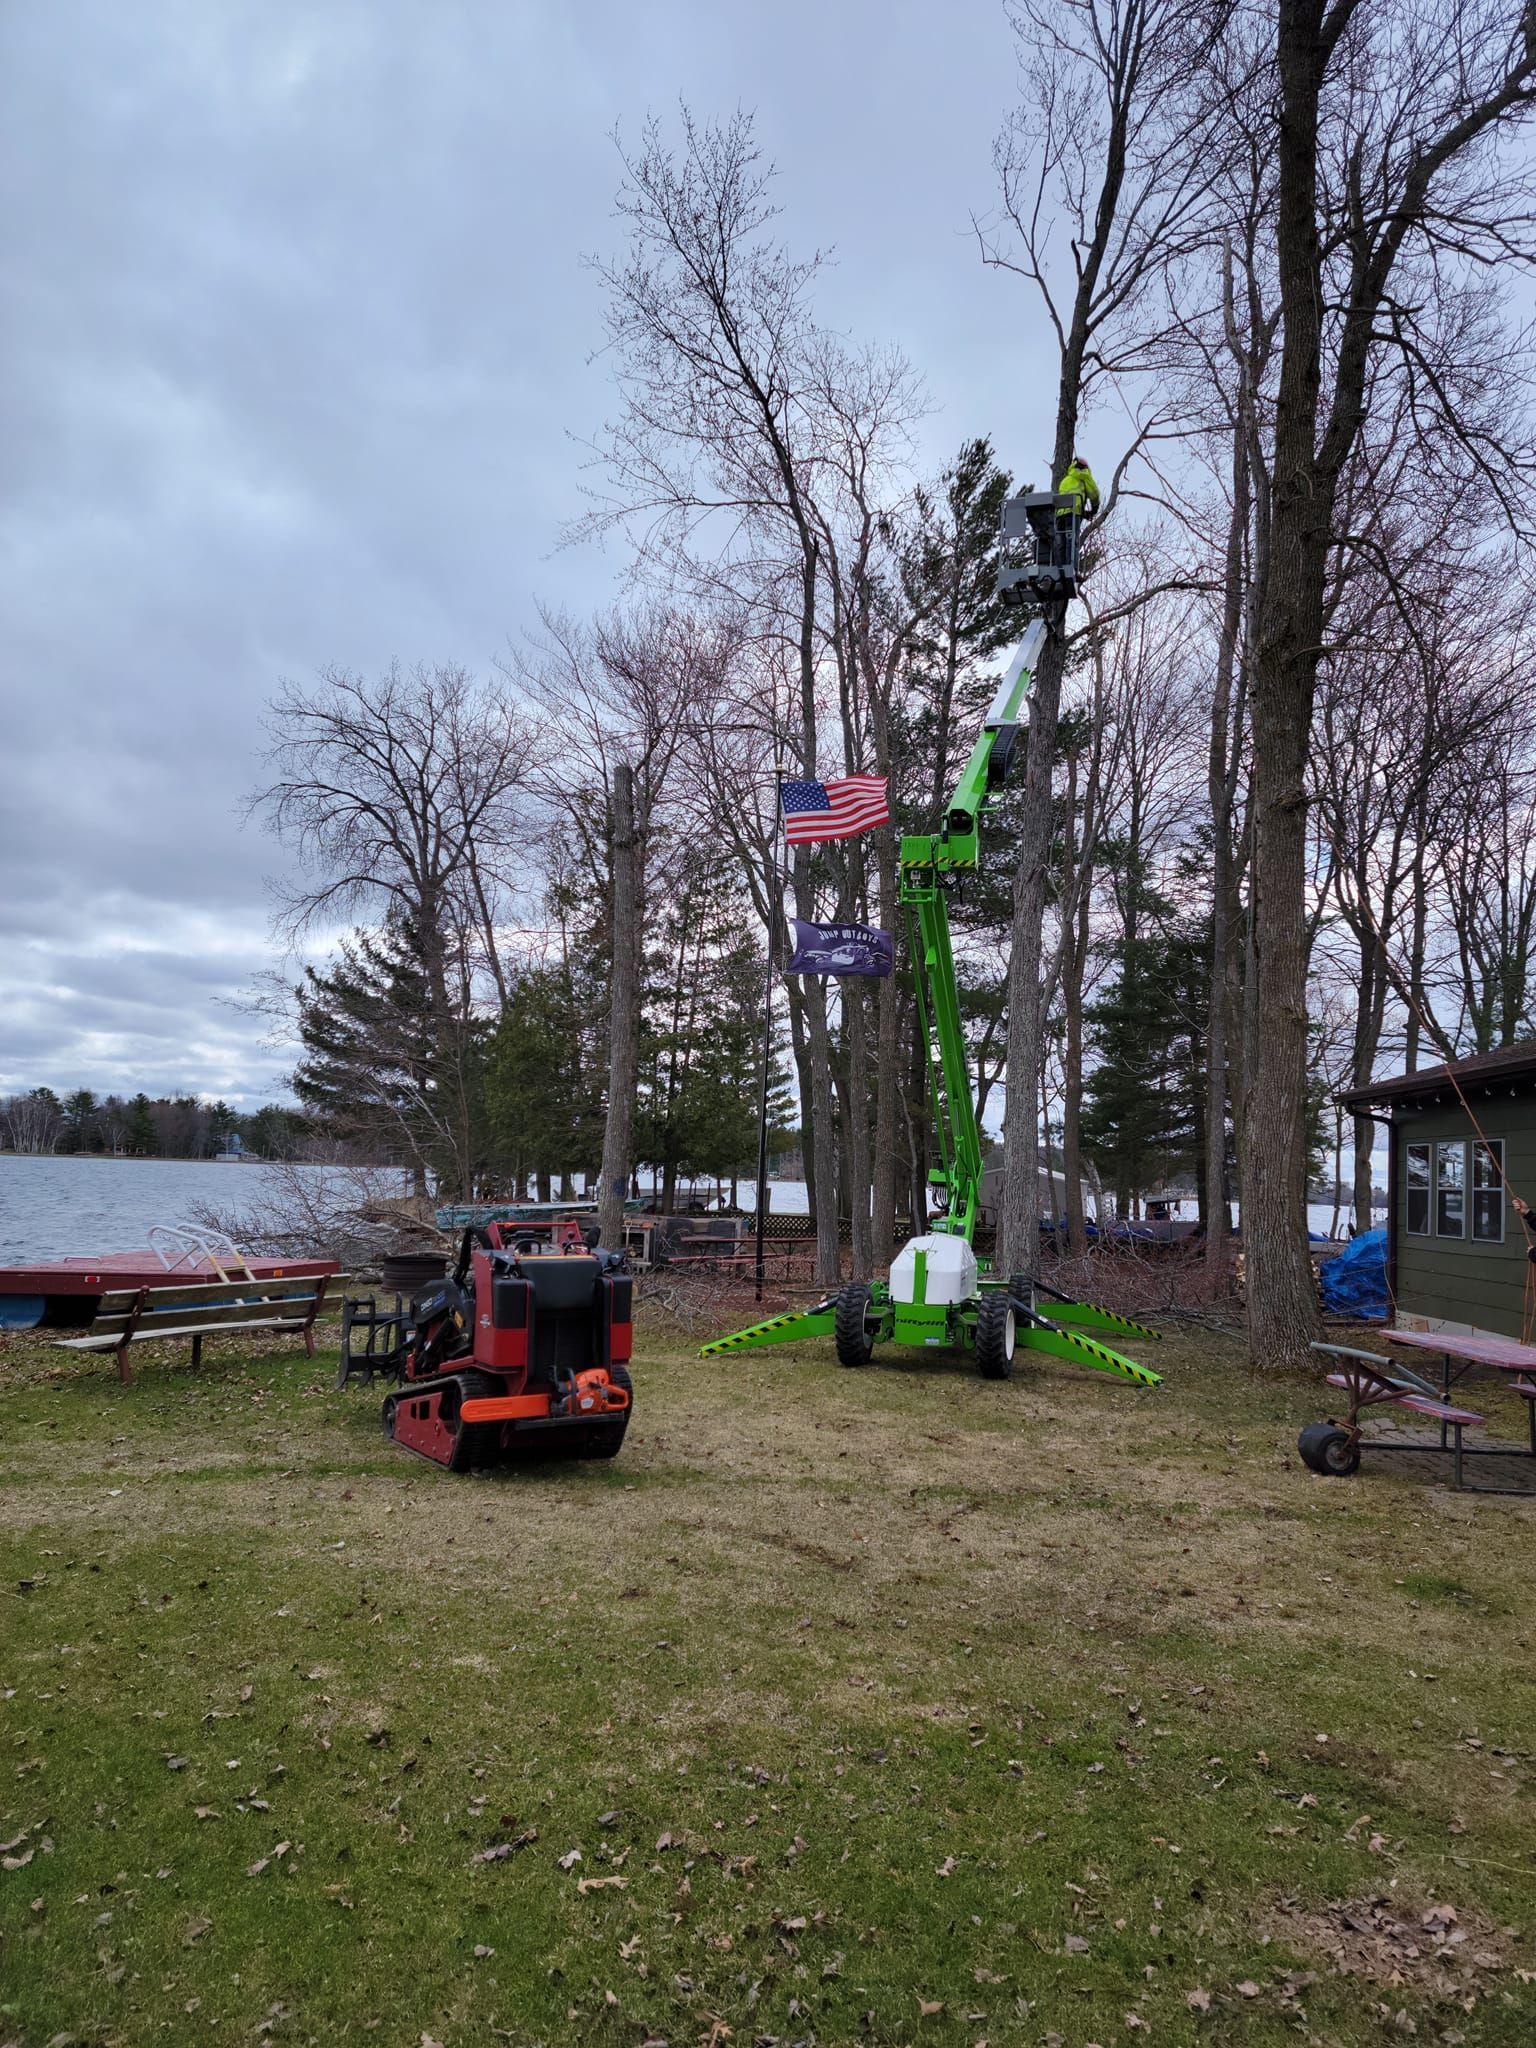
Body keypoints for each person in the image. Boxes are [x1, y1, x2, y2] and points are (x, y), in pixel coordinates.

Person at [1055, 453, 1101, 570]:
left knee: (1061, 542)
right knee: (1072, 541)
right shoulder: (1083, 476)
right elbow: (1094, 494)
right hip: (1073, 514)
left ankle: (1060, 567)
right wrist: (1094, 509)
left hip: (1060, 514)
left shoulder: (1066, 480)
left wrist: (1083, 513)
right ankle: (1071, 568)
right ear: (1084, 467)